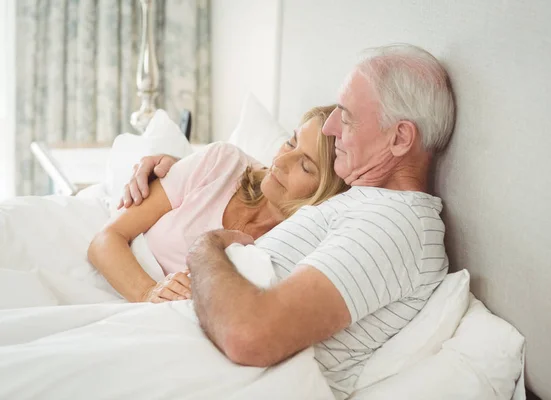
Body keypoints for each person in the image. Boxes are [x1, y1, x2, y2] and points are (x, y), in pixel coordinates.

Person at [124, 44, 456, 399]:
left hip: (195, 369)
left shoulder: (394, 225)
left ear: (400, 138)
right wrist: (182, 166)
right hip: (177, 341)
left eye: (346, 118)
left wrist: (207, 247)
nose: (331, 127)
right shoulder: (363, 204)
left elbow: (249, 335)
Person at [88, 105, 349, 304]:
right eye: (291, 142)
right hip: (110, 285)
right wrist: (149, 293)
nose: (281, 161)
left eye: (305, 166)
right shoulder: (222, 163)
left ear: (325, 194)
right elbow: (106, 239)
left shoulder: (296, 247)